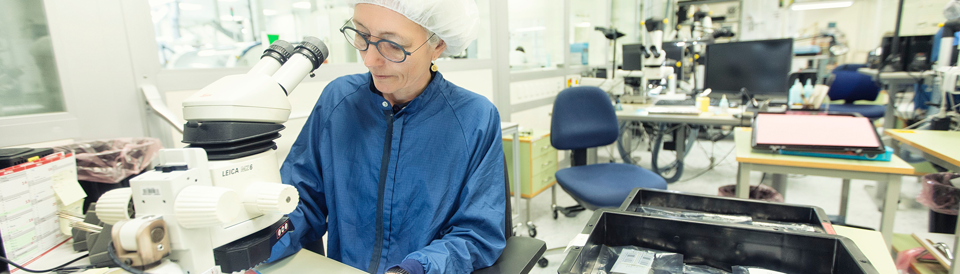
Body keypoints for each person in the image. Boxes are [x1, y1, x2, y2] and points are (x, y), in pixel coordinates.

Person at [266, 1, 506, 273]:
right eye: (362, 35)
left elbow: (477, 233)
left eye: (392, 45)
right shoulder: (339, 101)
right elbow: (300, 199)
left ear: (437, 45)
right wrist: (262, 243)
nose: (369, 60)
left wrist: (414, 269)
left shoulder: (474, 118)